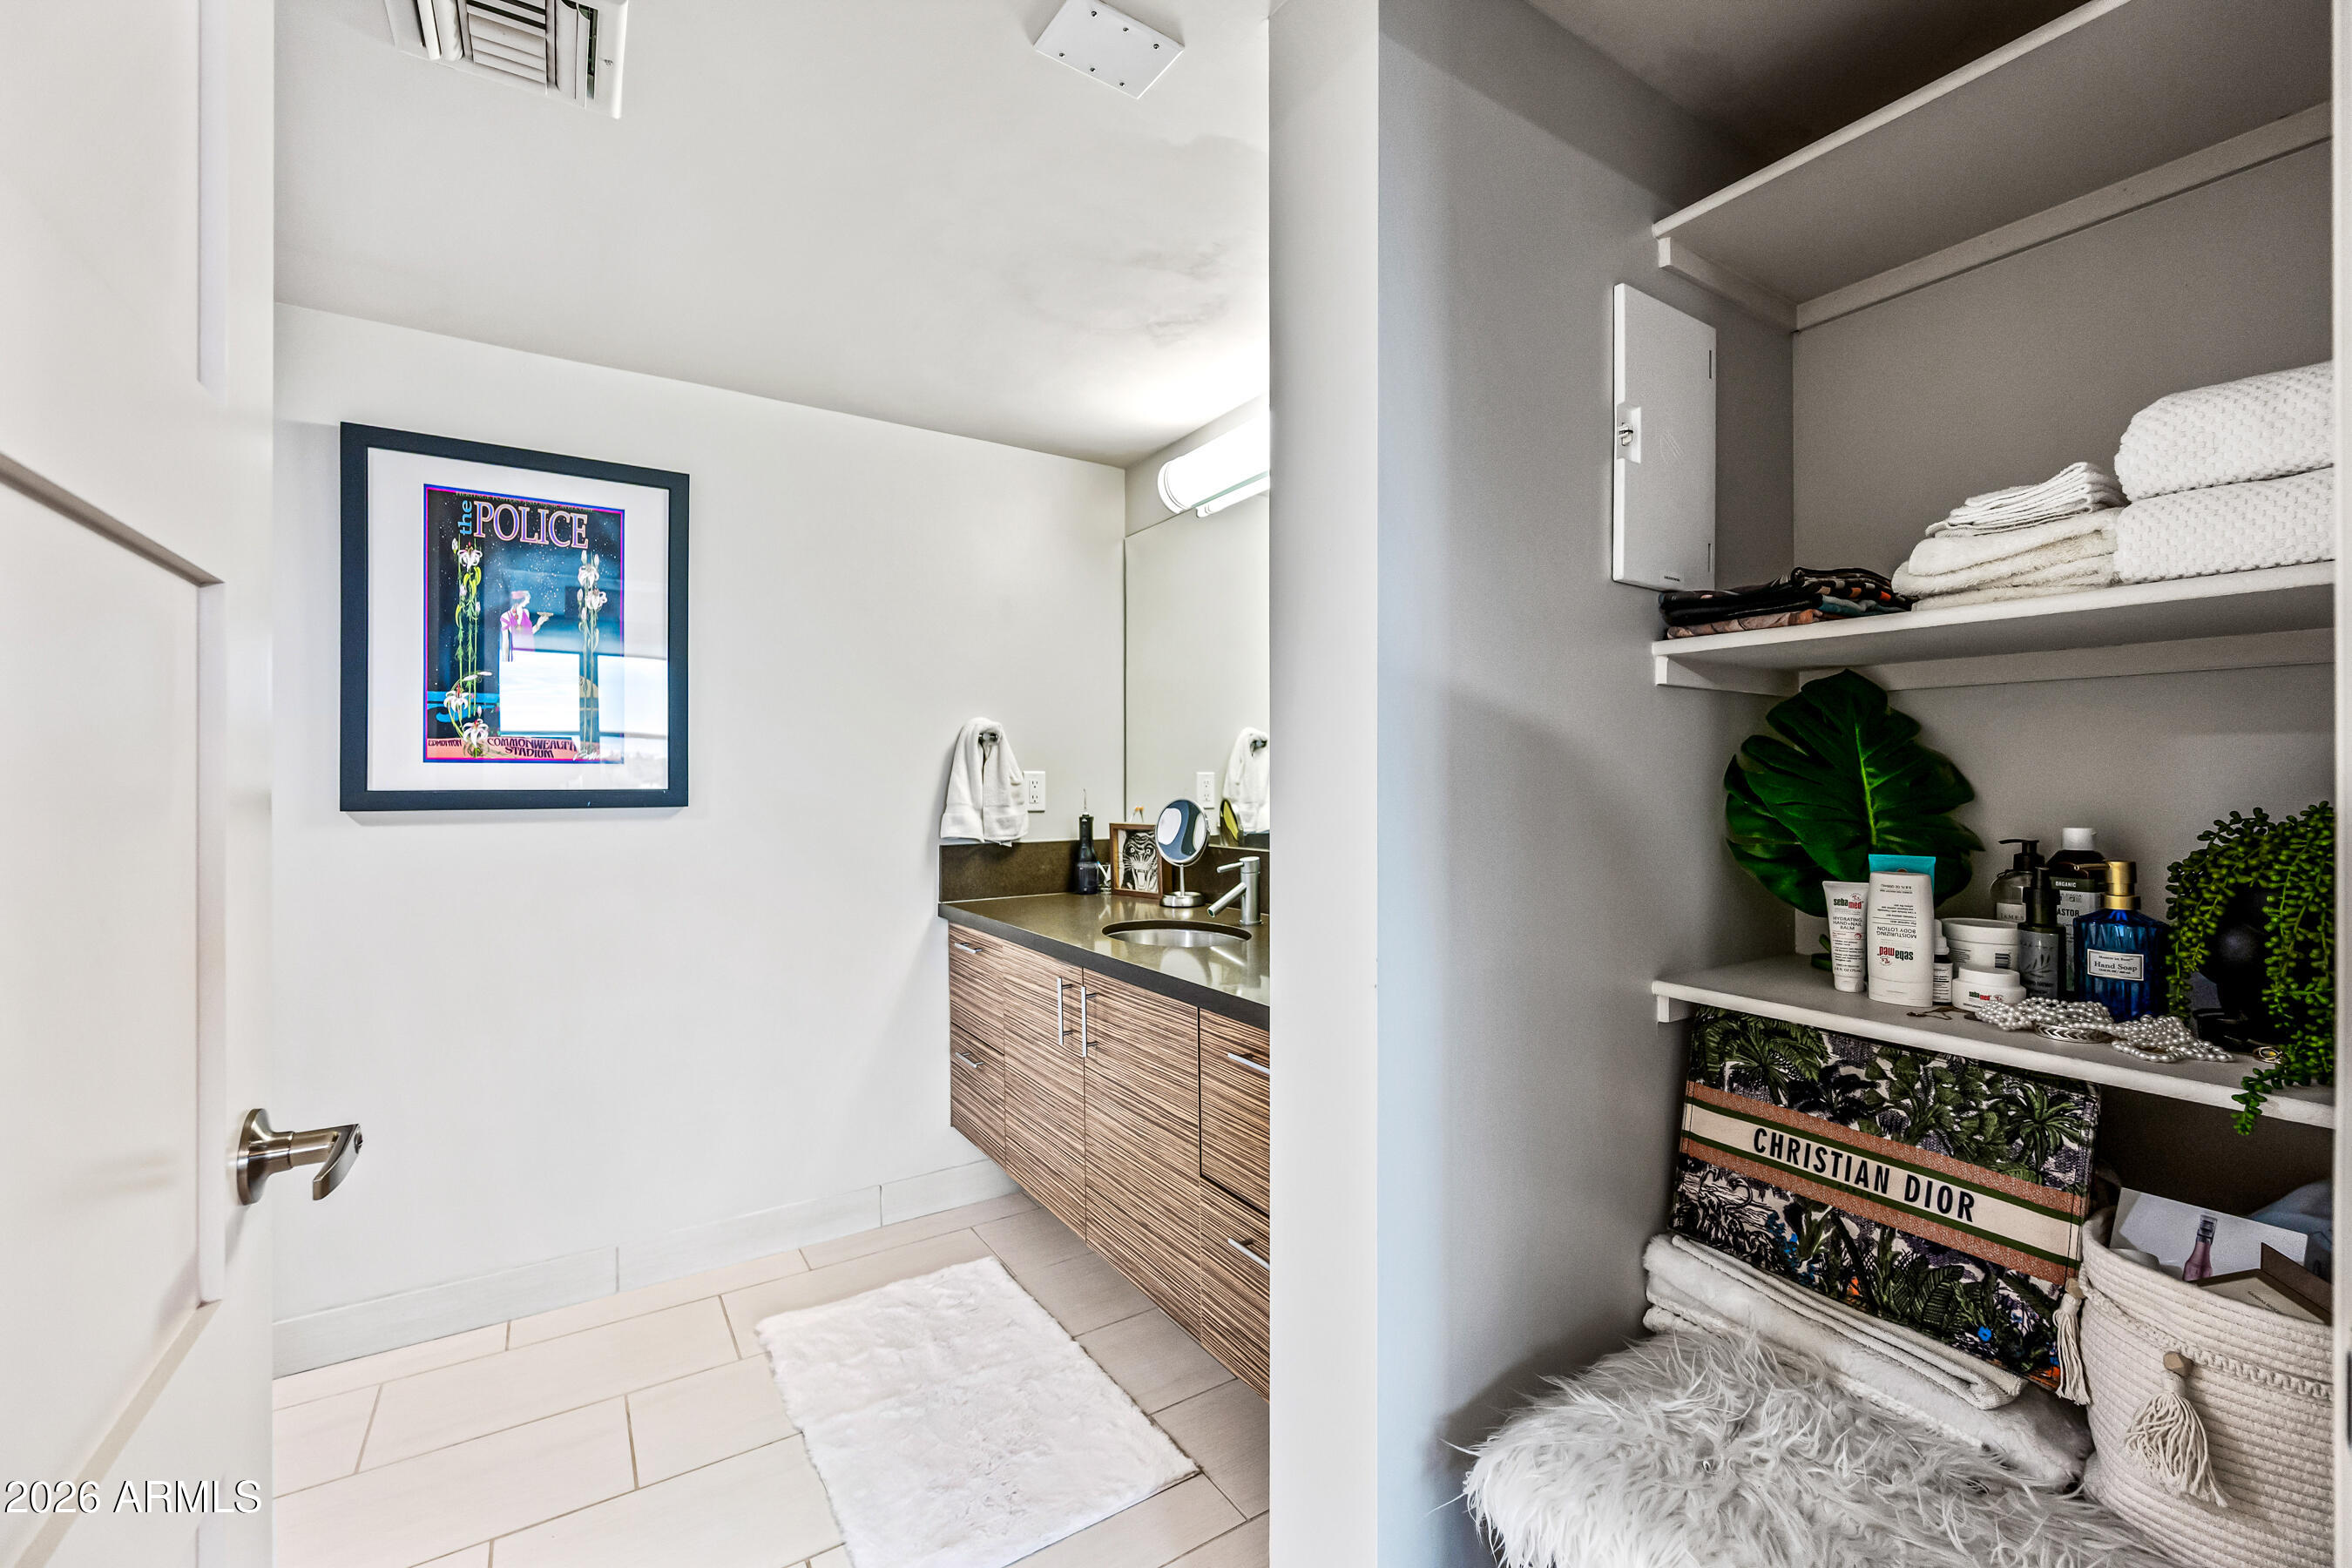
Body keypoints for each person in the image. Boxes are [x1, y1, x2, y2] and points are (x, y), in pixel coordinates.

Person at [499, 591, 553, 662]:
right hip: (517, 653)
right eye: (527, 599)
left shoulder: (526, 612)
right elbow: (505, 641)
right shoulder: (506, 616)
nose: (528, 602)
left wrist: (539, 623)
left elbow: (529, 633)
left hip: (530, 650)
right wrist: (505, 660)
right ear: (522, 600)